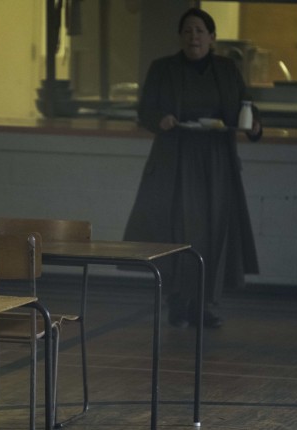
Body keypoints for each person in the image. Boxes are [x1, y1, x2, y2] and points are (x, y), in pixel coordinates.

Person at [123, 8, 260, 329]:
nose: (193, 37)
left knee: (213, 232)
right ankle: (177, 299)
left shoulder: (227, 69)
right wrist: (160, 119)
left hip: (217, 161)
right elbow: (145, 110)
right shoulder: (163, 68)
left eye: (199, 31)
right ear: (180, 37)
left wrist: (255, 125)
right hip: (176, 158)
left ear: (212, 37)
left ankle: (203, 304)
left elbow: (246, 105)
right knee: (178, 231)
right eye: (187, 31)